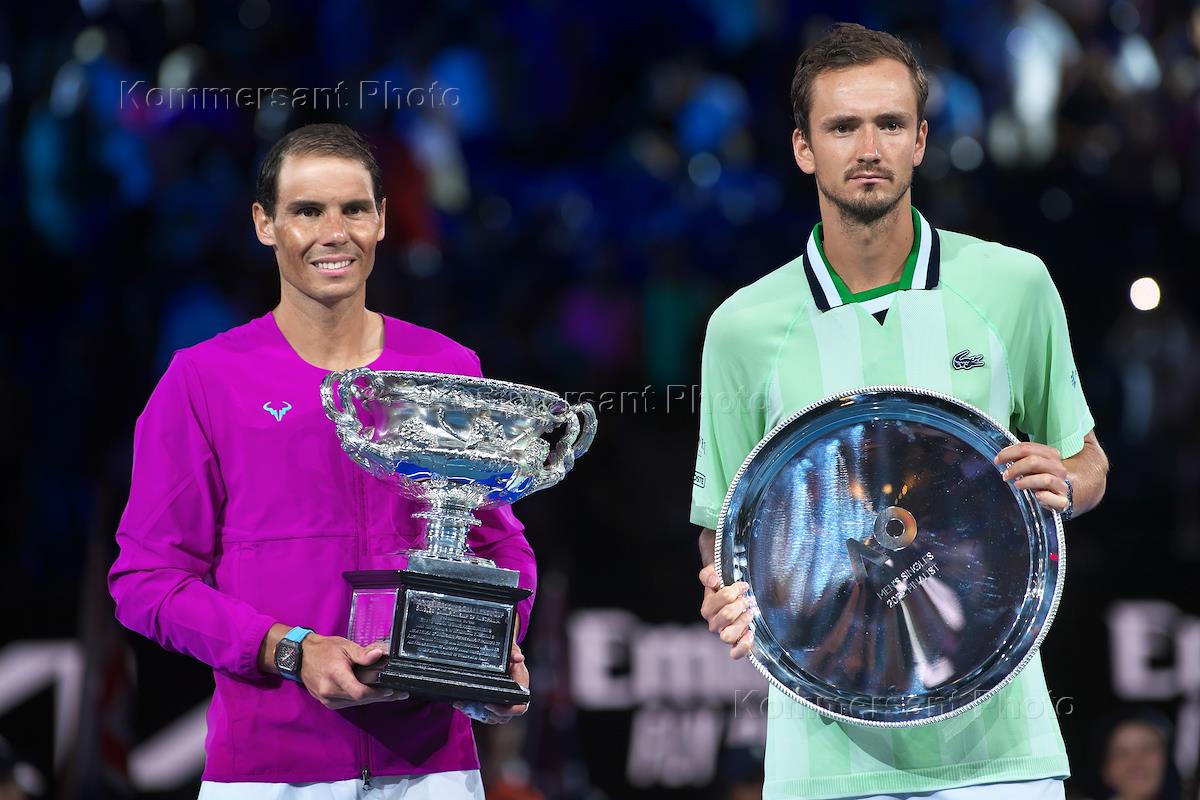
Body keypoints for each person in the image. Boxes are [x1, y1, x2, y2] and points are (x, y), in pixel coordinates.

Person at [692, 23, 1111, 800]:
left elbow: (1088, 464)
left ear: (920, 139)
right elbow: (727, 522)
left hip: (1000, 753)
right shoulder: (743, 327)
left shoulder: (1014, 285)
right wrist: (720, 589)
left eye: (889, 123)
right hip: (823, 756)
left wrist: (1067, 478)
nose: (869, 146)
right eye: (842, 126)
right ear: (803, 148)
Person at [109, 123, 534, 799]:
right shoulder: (205, 380)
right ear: (265, 225)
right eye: (307, 211)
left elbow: (495, 544)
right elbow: (147, 580)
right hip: (269, 772)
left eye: (353, 209)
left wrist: (493, 652)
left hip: (431, 771)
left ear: (383, 221)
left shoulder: (446, 369)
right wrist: (290, 649)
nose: (333, 232)